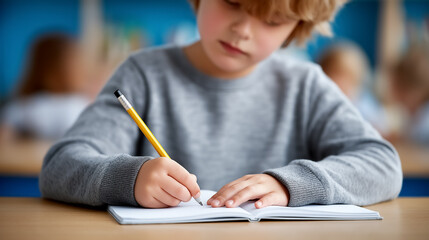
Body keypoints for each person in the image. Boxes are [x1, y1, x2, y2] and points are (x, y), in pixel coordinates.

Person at [39, 0, 402, 209]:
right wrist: (128, 179)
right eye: (232, 2)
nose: (243, 29)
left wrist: (295, 184)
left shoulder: (305, 86)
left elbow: (383, 164)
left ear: (296, 28)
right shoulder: (143, 75)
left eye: (272, 20)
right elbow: (60, 166)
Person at [0, 34, 90, 140]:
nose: (84, 69)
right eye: (76, 63)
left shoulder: (21, 106)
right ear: (51, 73)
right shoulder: (75, 105)